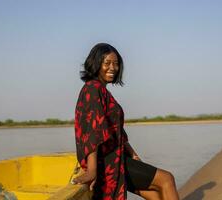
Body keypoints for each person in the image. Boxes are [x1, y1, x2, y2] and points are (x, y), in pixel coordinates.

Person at [72, 43, 180, 200]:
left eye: (116, 64)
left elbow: (115, 130)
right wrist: (92, 170)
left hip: (118, 157)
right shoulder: (93, 88)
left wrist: (132, 153)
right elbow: (93, 131)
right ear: (96, 63)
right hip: (107, 162)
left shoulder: (102, 90)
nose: (112, 68)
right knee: (166, 179)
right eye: (107, 63)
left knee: (155, 193)